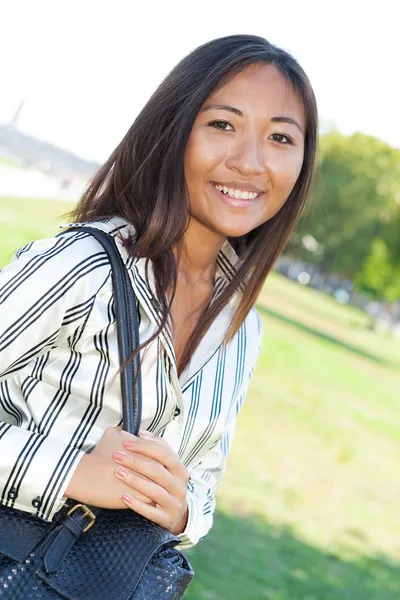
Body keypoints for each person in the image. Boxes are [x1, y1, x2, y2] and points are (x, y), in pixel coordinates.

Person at [0, 34, 317, 552]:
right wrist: (68, 471)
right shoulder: (82, 267)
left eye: (281, 138)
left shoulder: (241, 325)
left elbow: (205, 480)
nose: (251, 161)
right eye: (223, 125)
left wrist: (185, 510)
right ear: (174, 132)